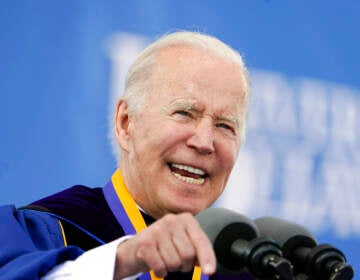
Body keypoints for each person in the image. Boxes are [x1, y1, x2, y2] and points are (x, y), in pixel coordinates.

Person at [0, 31, 251, 280]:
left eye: (225, 126)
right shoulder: (50, 231)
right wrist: (123, 261)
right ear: (125, 122)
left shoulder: (243, 269)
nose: (204, 142)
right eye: (184, 113)